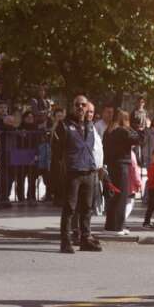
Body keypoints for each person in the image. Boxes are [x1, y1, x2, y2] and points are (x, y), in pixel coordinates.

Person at [52, 94, 101, 253]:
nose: (80, 108)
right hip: (72, 172)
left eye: (83, 105)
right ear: (73, 107)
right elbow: (57, 151)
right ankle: (65, 241)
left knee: (87, 208)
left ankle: (85, 238)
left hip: (89, 171)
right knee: (70, 208)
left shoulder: (90, 125)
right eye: (77, 105)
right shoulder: (64, 125)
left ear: (87, 107)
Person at [103, 110, 141, 233]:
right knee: (121, 196)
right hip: (122, 164)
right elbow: (137, 139)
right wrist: (135, 128)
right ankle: (118, 226)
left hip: (111, 164)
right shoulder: (122, 131)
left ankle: (110, 225)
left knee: (114, 196)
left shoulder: (108, 131)